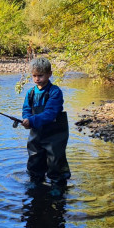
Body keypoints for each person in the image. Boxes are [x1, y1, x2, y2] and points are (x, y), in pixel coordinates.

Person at [21, 57, 71, 188]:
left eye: (41, 75)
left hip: (55, 134)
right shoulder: (30, 93)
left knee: (55, 161)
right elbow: (26, 109)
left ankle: (58, 185)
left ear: (49, 74)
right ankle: (36, 181)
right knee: (34, 158)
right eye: (34, 76)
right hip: (37, 133)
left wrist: (31, 120)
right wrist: (26, 119)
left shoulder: (55, 92)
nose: (37, 79)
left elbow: (50, 113)